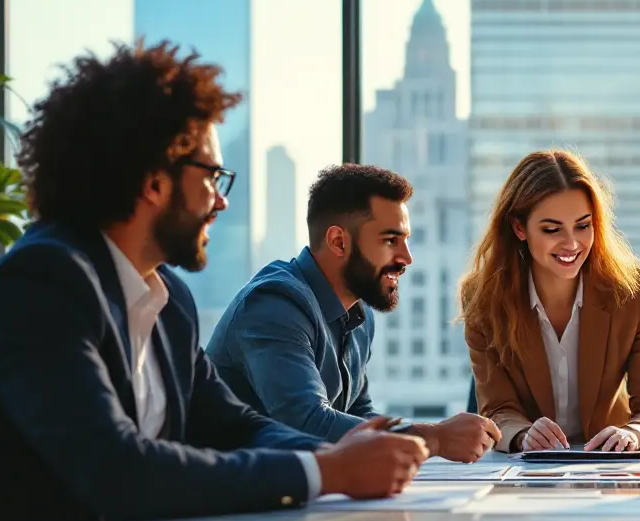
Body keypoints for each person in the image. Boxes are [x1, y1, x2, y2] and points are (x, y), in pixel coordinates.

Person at [0, 41, 427, 521]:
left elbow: (233, 424)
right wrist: (323, 472)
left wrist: (341, 451)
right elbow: (115, 468)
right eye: (212, 176)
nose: (222, 199)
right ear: (153, 180)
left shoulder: (168, 301)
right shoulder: (41, 282)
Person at [207, 164, 499, 461]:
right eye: (390, 240)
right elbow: (306, 422)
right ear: (338, 241)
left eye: (406, 240)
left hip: (302, 493)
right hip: (234, 497)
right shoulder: (273, 303)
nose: (406, 258)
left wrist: (429, 438)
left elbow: (360, 414)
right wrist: (434, 439)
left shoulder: (358, 313)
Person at [460, 150, 640, 452]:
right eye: (552, 229)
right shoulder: (484, 300)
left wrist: (634, 433)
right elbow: (497, 408)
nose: (572, 244)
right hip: (528, 474)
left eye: (583, 226)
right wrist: (523, 435)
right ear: (519, 228)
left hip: (606, 468)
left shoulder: (632, 292)